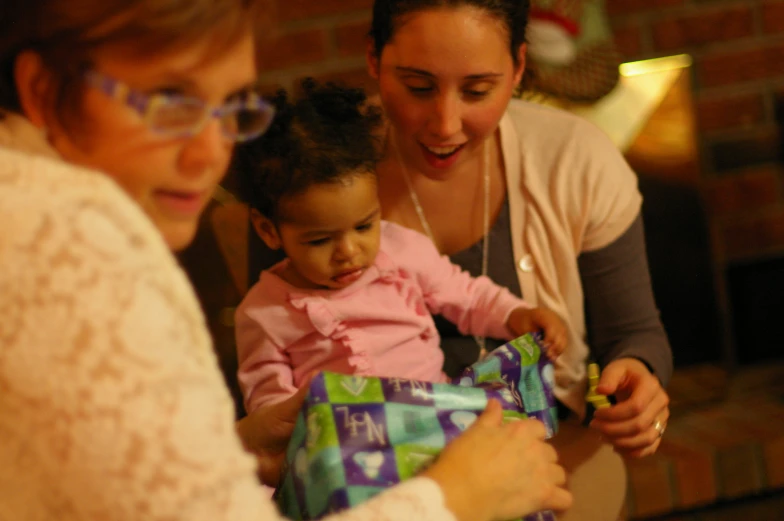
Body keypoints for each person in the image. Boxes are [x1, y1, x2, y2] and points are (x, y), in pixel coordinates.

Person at [0, 1, 572, 520]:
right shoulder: (68, 260)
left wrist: (242, 445)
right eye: (170, 104)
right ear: (45, 91)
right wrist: (456, 499)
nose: (210, 154)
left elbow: (466, 294)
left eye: (228, 110)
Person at [364, 0, 674, 519]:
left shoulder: (575, 158)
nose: (445, 124)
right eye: (419, 87)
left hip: (555, 463)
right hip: (384, 485)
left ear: (519, 68)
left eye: (478, 91)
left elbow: (635, 332)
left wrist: (639, 377)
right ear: (373, 59)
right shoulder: (317, 166)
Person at [232, 79, 566, 412]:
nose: (349, 251)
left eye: (364, 225)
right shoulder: (264, 313)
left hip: (441, 415)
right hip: (351, 450)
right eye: (320, 239)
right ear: (268, 230)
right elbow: (268, 405)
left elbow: (467, 297)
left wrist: (517, 314)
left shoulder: (401, 250)